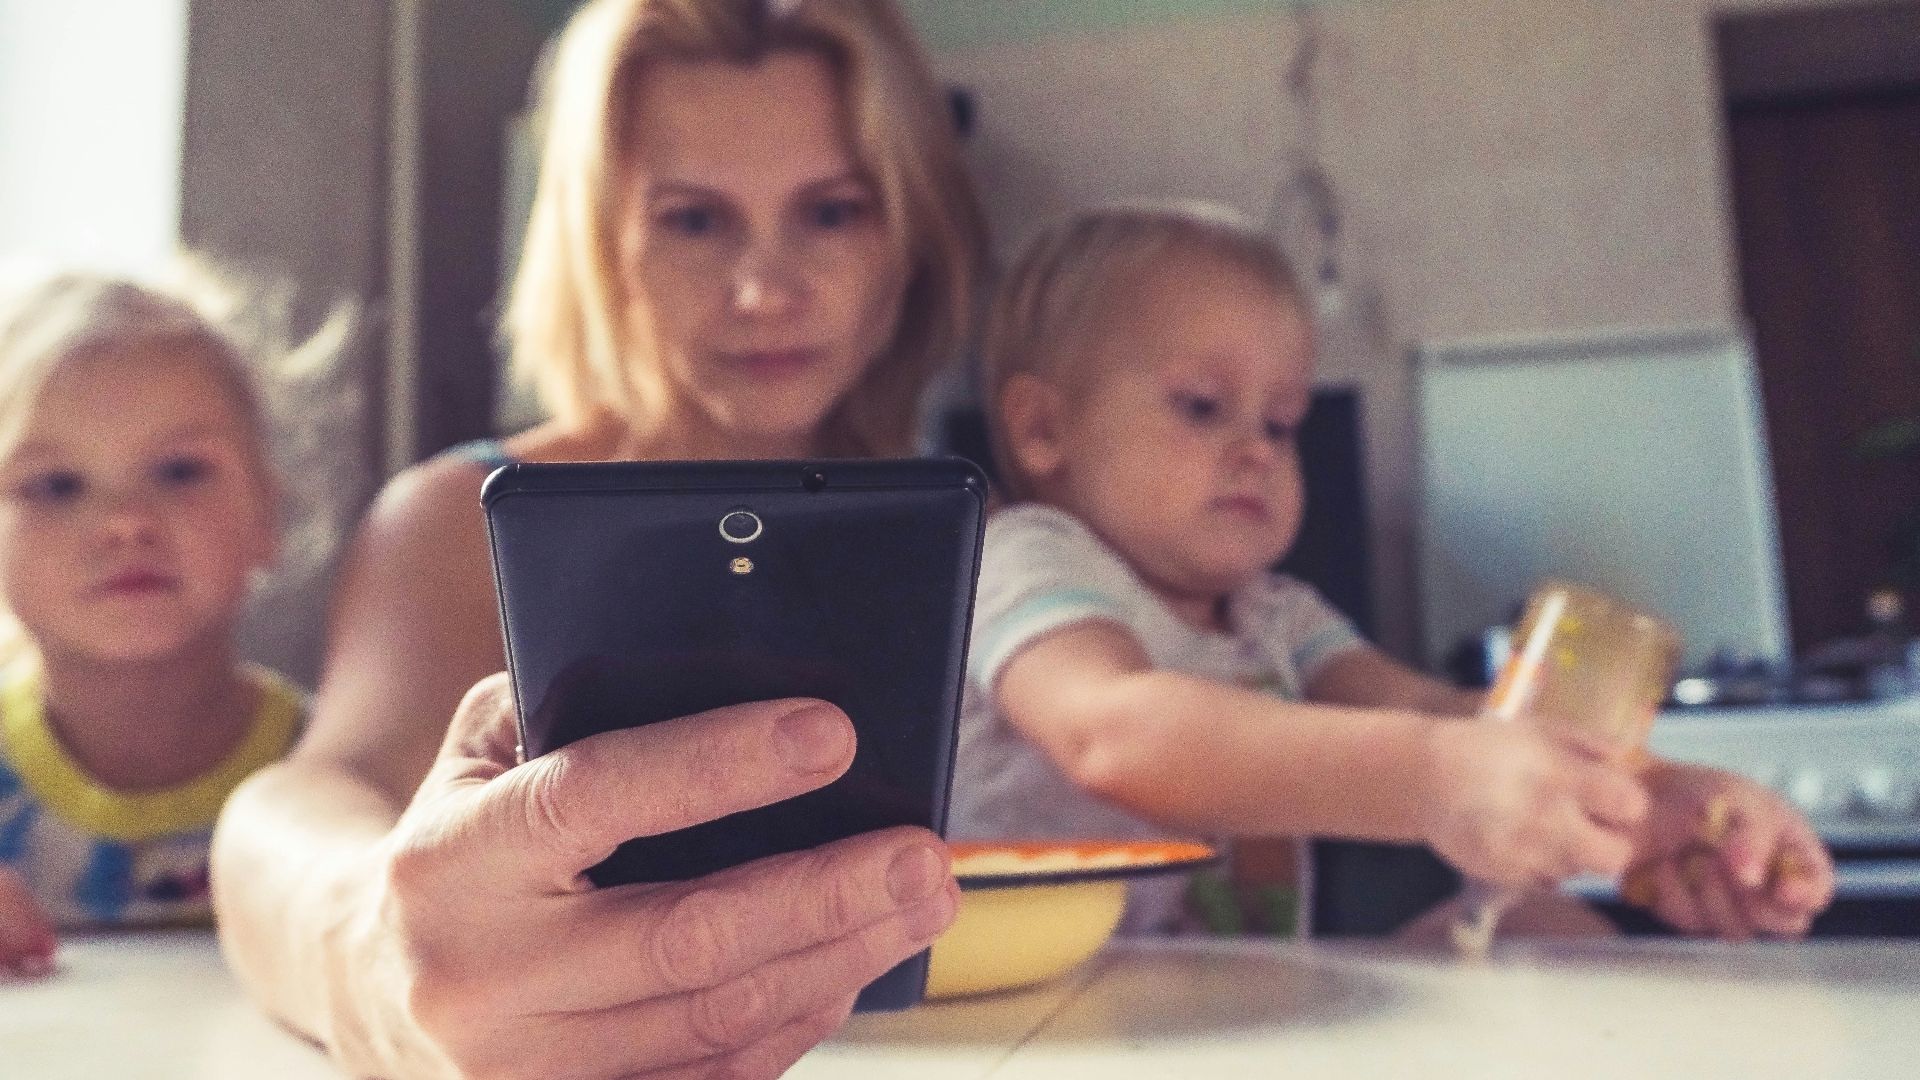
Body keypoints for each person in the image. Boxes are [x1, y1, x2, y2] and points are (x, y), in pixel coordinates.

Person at [210, 0, 986, 1076]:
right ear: (599, 242)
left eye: (832, 211)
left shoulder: (985, 536)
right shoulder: (456, 517)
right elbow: (295, 809)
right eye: (694, 219)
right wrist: (372, 957)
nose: (765, 289)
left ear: (908, 237)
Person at [950, 202, 1834, 940]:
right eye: (1202, 407)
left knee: (1547, 928)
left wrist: (1645, 799)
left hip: (1229, 999)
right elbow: (1114, 733)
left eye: (1283, 422)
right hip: (1043, 1017)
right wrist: (1439, 780)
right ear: (1044, 430)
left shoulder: (1274, 615)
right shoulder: (1021, 555)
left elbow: (1429, 713)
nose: (1256, 451)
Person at [0, 271, 305, 976]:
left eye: (177, 471)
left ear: (266, 511)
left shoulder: (336, 768)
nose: (125, 524)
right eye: (55, 485)